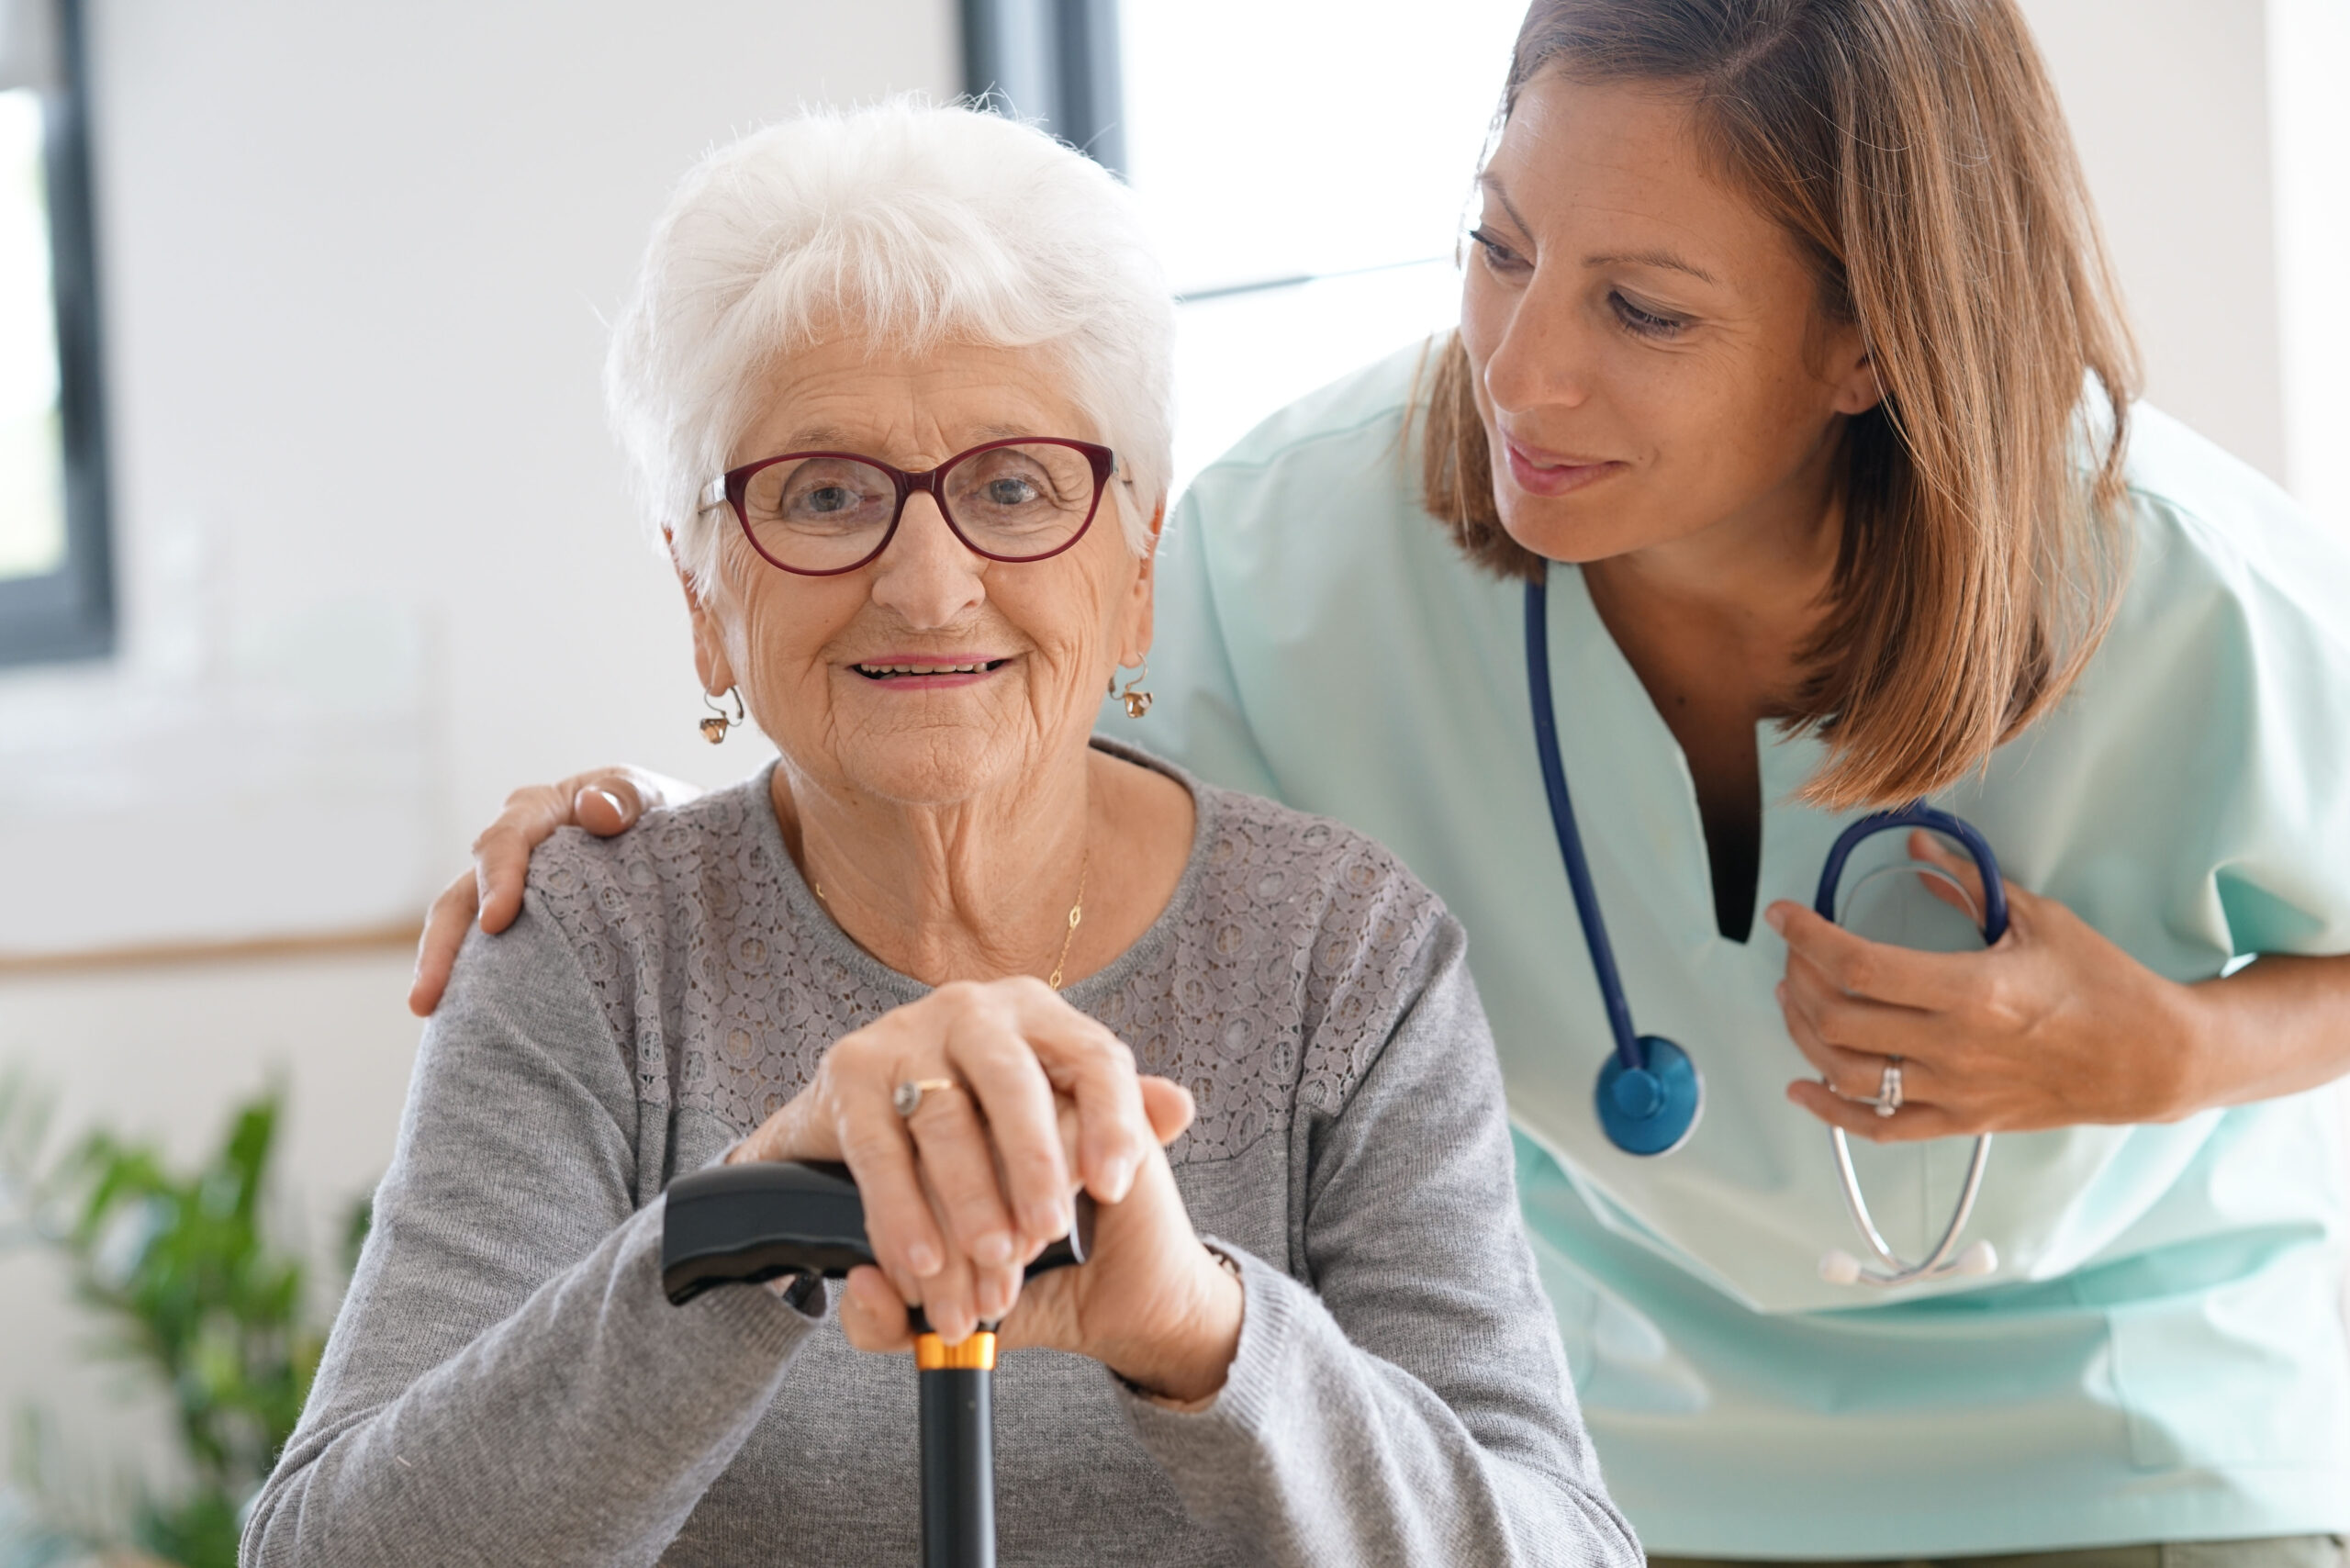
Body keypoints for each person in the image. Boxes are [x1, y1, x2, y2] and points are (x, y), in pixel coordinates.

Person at [414, 1, 2350, 1562]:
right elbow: (954, 698)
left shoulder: (2192, 590)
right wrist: (637, 847)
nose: (1517, 371)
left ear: (1864, 340)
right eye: (1497, 246)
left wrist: (2178, 1051)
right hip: (1655, 1446)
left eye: (1640, 308)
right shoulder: (1302, 536)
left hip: (2128, 1431)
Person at [245, 104, 1639, 1568]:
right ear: (704, 594)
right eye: (826, 494)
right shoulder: (590, 951)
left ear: (1140, 561)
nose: (927, 583)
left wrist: (1200, 1331)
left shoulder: (1341, 957)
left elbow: (1562, 1549)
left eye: (1015, 487)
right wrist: (746, 1225)